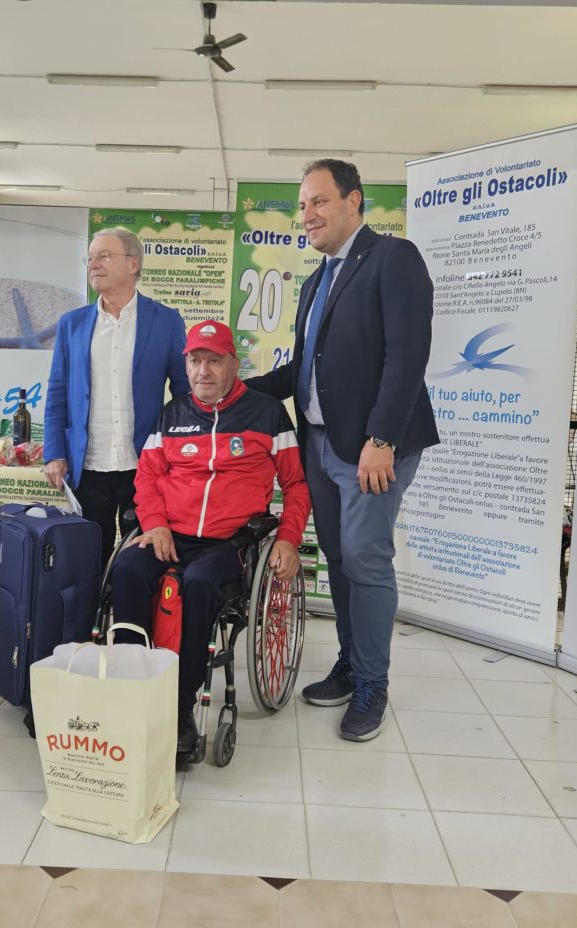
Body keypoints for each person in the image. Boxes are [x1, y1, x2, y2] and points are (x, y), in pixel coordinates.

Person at [246, 159, 439, 742]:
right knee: (337, 556)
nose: (306, 214)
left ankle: (374, 684)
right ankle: (352, 665)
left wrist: (381, 439)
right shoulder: (315, 282)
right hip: (320, 444)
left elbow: (407, 357)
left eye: (318, 202)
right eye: (302, 204)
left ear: (355, 202)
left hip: (372, 447)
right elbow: (303, 371)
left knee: (364, 557)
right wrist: (231, 389)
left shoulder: (393, 259)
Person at [110, 320, 311, 754]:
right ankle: (130, 693)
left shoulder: (268, 413)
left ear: (233, 364)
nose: (203, 371)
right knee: (126, 570)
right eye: (195, 361)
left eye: (213, 361)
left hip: (230, 543)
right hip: (170, 534)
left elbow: (296, 485)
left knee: (199, 584)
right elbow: (147, 478)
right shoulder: (173, 413)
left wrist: (289, 538)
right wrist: (155, 522)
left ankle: (179, 709)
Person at [43, 227, 189, 570]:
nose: (94, 263)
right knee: (85, 561)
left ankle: (128, 623)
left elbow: (184, 392)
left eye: (104, 256)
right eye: (90, 257)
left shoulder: (166, 321)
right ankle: (85, 622)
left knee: (137, 563)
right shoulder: (72, 325)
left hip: (144, 467)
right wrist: (55, 452)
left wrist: (180, 452)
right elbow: (57, 392)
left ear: (133, 264)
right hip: (88, 466)